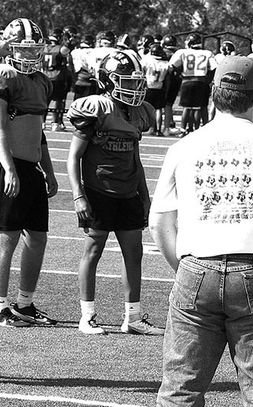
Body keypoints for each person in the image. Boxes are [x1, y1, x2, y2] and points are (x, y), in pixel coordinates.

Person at [150, 55, 253, 406]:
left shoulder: (183, 147)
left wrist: (184, 267)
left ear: (213, 92)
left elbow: (160, 221)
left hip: (196, 266)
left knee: (181, 389)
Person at [66, 50, 164, 336]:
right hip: (99, 191)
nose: (134, 88)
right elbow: (74, 157)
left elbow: (135, 156)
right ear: (108, 81)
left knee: (134, 253)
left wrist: (145, 195)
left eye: (136, 83)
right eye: (127, 82)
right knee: (93, 250)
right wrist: (78, 195)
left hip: (128, 192)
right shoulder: (96, 108)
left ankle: (132, 317)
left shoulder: (139, 112)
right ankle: (87, 316)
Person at [0, 18, 59, 327]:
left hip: (31, 166)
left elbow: (39, 132)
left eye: (34, 49)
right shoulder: (5, 75)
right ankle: (0, 306)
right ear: (10, 48)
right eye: (22, 49)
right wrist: (9, 168)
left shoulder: (42, 80)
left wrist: (48, 170)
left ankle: (25, 303)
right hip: (8, 165)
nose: (28, 55)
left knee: (37, 236)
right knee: (6, 239)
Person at [169, 33, 216, 136]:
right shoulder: (207, 53)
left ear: (189, 43)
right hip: (201, 81)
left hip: (187, 81)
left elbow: (172, 66)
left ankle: (183, 129)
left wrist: (179, 75)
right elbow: (213, 68)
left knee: (186, 108)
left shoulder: (182, 52)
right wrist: (208, 80)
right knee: (201, 107)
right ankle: (201, 129)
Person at [42, 28, 72, 131]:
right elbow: (66, 50)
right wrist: (69, 41)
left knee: (44, 101)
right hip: (57, 77)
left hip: (44, 76)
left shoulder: (43, 48)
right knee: (57, 101)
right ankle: (55, 123)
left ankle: (42, 122)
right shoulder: (59, 48)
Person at [141, 43, 170, 137]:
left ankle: (150, 128)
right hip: (159, 87)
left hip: (149, 86)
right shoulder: (165, 63)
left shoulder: (146, 60)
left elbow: (142, 72)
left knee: (148, 108)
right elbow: (167, 77)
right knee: (158, 110)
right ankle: (158, 130)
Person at [161, 34, 181, 137]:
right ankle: (169, 124)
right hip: (177, 80)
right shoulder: (178, 53)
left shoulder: (163, 53)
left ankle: (165, 127)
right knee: (169, 104)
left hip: (166, 80)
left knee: (165, 105)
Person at [71, 34, 96, 100]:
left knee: (77, 103)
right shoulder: (94, 52)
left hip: (78, 80)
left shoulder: (74, 52)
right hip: (90, 81)